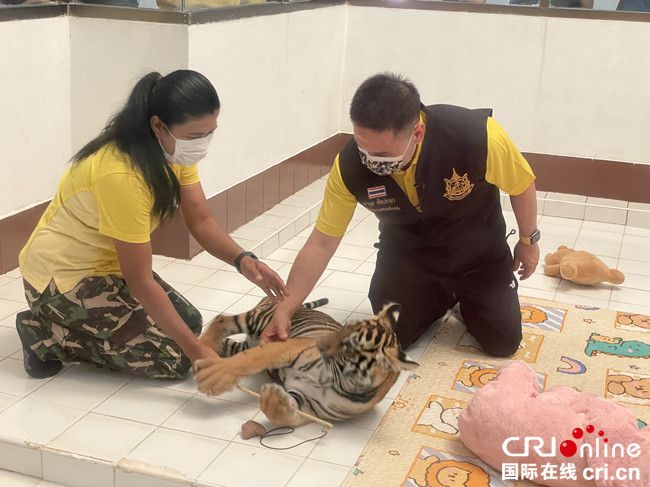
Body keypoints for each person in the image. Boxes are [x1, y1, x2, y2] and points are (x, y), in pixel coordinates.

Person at [16, 70, 286, 380]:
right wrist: (198, 354)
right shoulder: (121, 175)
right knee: (173, 359)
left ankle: (83, 328)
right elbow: (140, 280)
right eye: (195, 136)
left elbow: (201, 219)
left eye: (209, 133)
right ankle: (44, 334)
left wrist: (243, 260)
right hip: (60, 279)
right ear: (158, 125)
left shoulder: (173, 153)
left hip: (107, 268)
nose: (203, 144)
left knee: (190, 322)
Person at [261, 73, 540, 357]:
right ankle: (442, 295)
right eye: (362, 147)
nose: (371, 160)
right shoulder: (348, 166)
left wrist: (529, 241)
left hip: (477, 253)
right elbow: (322, 242)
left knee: (502, 342)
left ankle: (465, 295)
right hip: (410, 255)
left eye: (381, 153)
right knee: (390, 336)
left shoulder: (477, 136)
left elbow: (522, 184)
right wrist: (286, 308)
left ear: (416, 133)